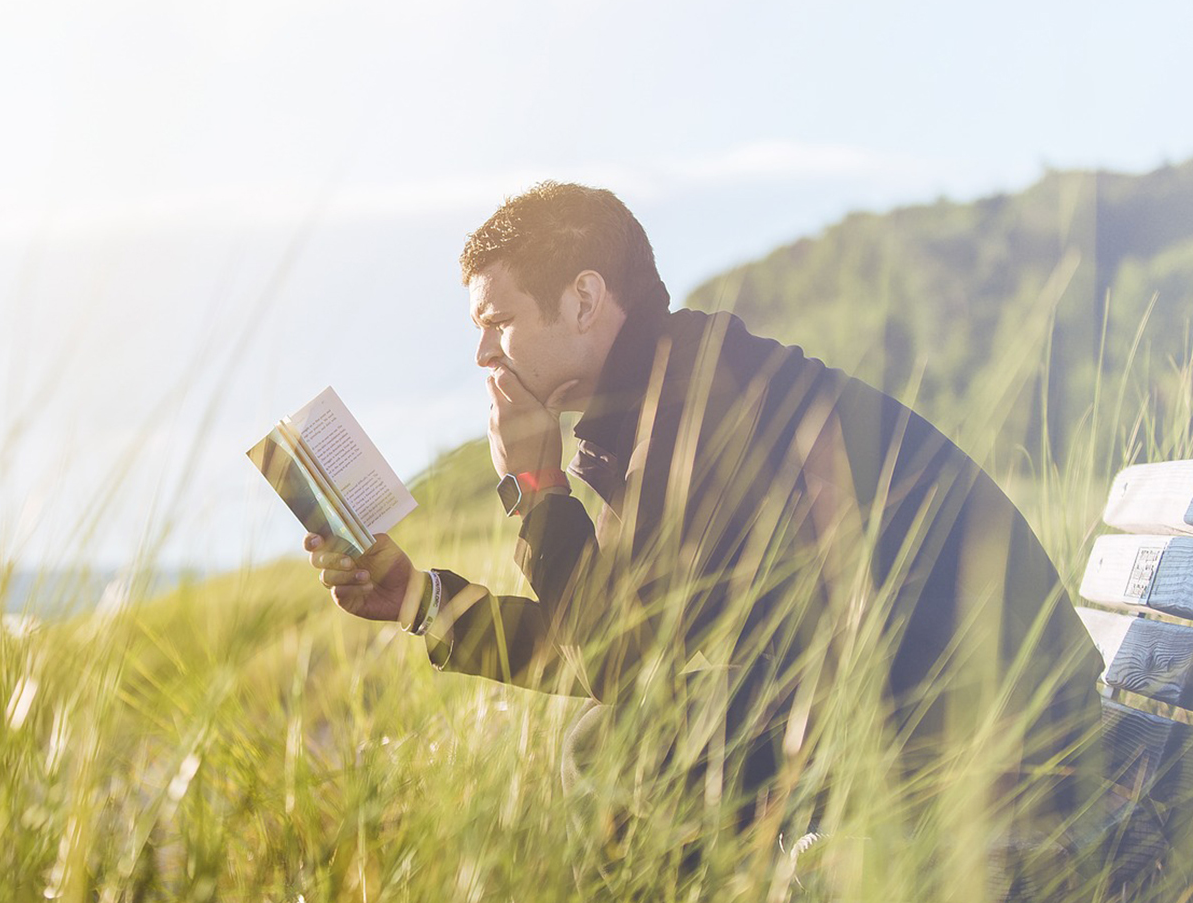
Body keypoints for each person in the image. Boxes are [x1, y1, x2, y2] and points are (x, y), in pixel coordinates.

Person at [307, 181, 1104, 821]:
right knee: (627, 736)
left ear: (585, 301)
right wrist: (415, 597)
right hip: (931, 703)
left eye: (499, 321)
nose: (481, 353)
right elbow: (616, 638)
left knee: (619, 746)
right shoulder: (662, 394)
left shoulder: (701, 405)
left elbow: (618, 663)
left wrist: (538, 488)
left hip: (1002, 733)